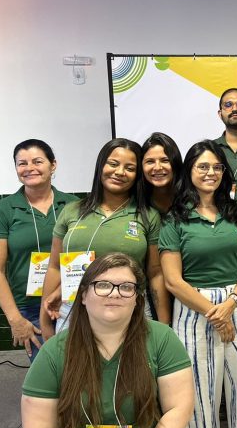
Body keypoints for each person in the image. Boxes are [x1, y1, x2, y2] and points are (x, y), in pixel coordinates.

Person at [21, 253, 195, 428]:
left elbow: (178, 410)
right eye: (102, 285)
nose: (114, 293)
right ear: (83, 295)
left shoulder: (162, 339)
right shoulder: (54, 352)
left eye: (126, 287)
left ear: (137, 299)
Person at [159, 140, 237, 428]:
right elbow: (173, 281)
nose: (210, 173)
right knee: (201, 391)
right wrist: (215, 313)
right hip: (194, 309)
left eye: (217, 167)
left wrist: (231, 304)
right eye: (202, 167)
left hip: (236, 303)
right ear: (189, 172)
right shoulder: (175, 219)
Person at [0, 139, 78, 428]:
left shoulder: (73, 205)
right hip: (28, 304)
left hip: (68, 299)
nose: (29, 168)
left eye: (37, 161)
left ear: (53, 165)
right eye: (22, 163)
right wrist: (15, 320)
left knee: (77, 369)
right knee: (44, 373)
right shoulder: (4, 209)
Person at [41, 138, 169, 335]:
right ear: (101, 166)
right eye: (113, 164)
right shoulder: (72, 211)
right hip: (74, 309)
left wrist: (164, 326)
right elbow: (54, 267)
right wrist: (44, 320)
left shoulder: (147, 215)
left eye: (130, 168)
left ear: (137, 175)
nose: (120, 172)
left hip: (130, 309)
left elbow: (155, 273)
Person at [141, 132, 183, 215]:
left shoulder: (191, 196)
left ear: (176, 162)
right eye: (150, 161)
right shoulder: (134, 200)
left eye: (165, 160)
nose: (157, 167)